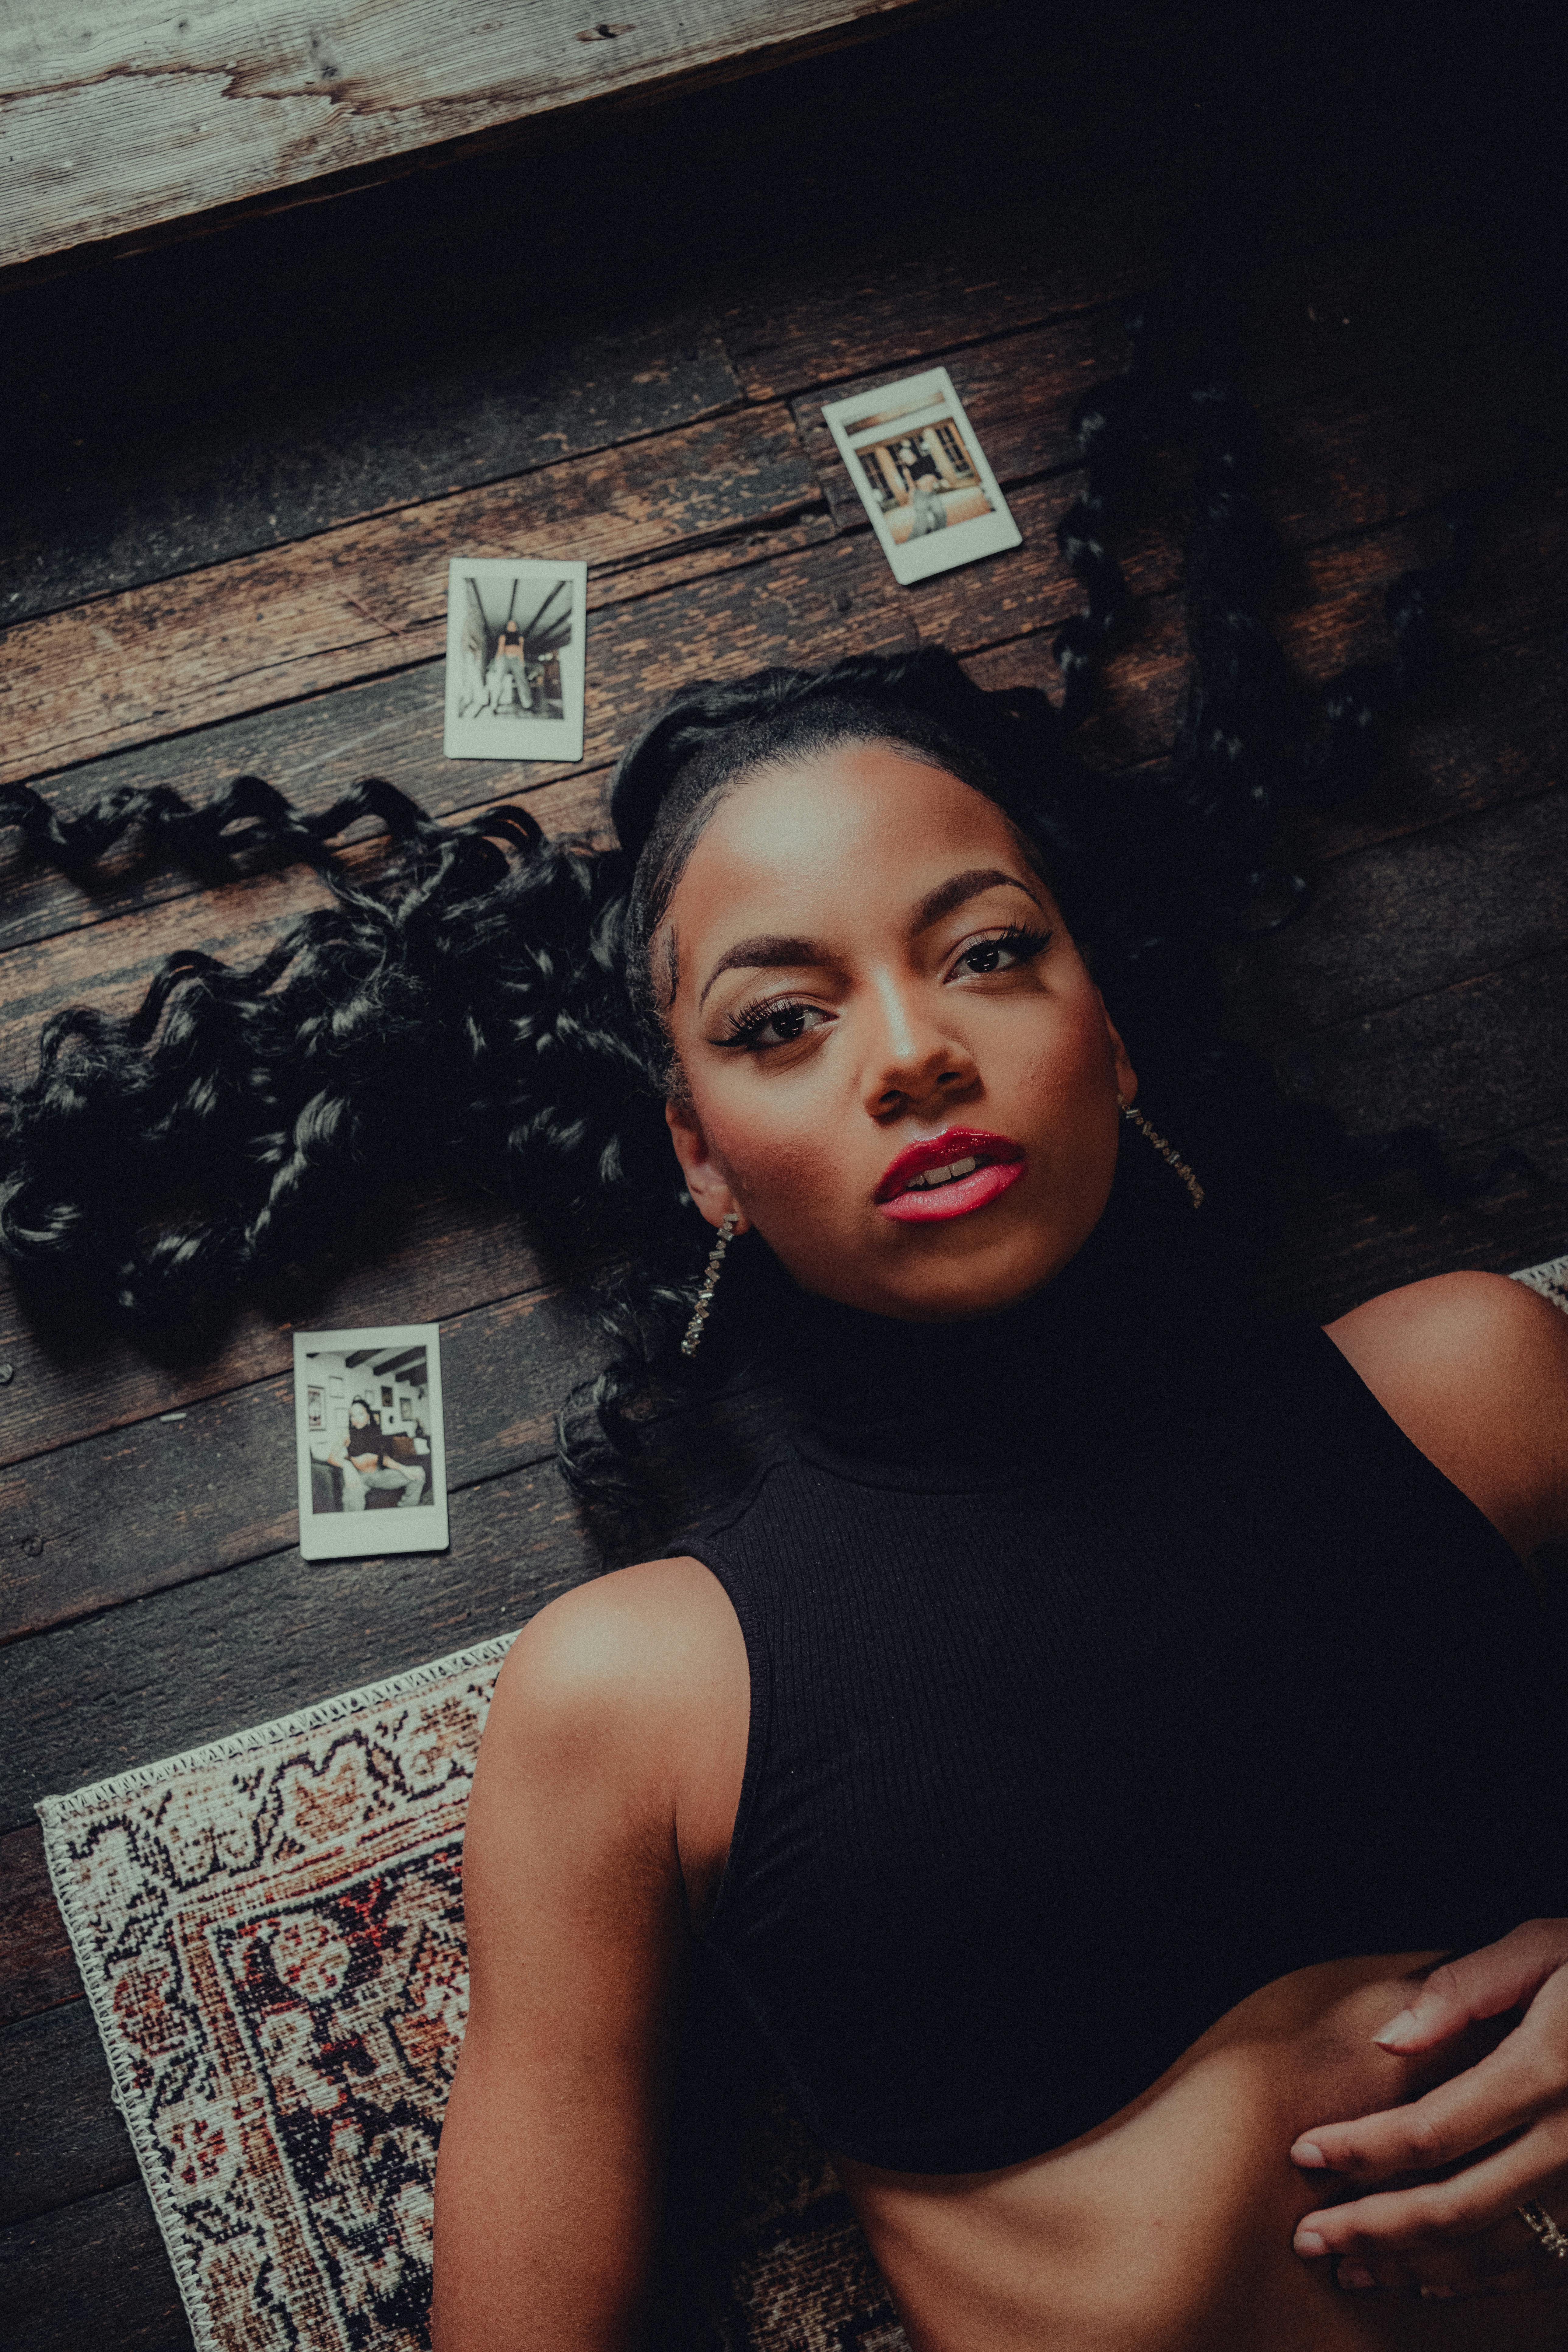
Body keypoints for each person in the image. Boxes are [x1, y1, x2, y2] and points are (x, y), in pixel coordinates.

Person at [3, 296, 1567, 2341]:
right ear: (699, 1156)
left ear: (1106, 1022)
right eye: (780, 1019)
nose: (910, 1053)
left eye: (986, 951)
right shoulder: (637, 1704)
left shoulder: (1474, 1389)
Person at [329, 1398, 426, 1508]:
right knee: (351, 1498)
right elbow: (332, 1458)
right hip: (360, 1477)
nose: (356, 1419)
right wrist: (347, 1466)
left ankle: (406, 1508)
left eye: (360, 1414)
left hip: (378, 1475)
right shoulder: (346, 1434)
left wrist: (404, 1469)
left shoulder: (375, 1433)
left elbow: (384, 1459)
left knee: (419, 1474)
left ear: (368, 1416)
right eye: (353, 1416)